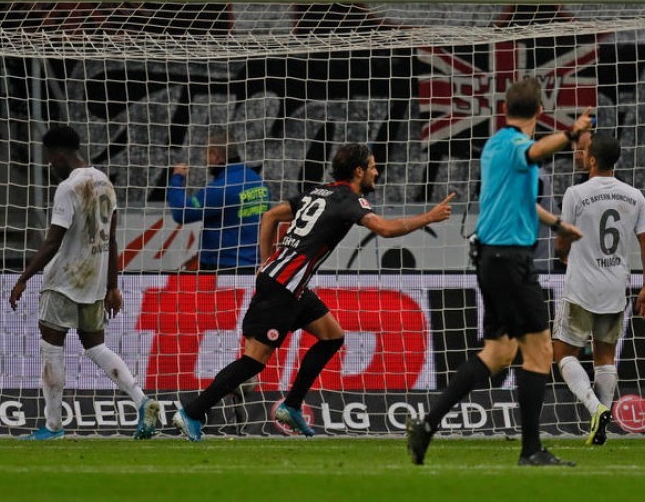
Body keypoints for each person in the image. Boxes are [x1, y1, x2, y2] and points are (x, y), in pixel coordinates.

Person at [172, 143, 454, 441]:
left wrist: (267, 261)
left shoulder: (319, 191)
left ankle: (291, 406)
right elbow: (384, 229)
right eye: (372, 166)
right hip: (282, 288)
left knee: (332, 335)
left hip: (291, 285)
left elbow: (270, 217)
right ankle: (192, 412)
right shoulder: (349, 200)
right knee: (253, 360)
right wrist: (429, 217)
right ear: (358, 171)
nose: (376, 172)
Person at [406, 77, 591, 467]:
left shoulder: (494, 146)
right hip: (509, 261)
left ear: (504, 109)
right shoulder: (515, 145)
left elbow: (520, 201)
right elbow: (536, 150)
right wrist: (571, 132)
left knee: (498, 352)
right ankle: (531, 451)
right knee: (540, 350)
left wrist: (557, 224)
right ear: (539, 113)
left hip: (494, 259)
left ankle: (427, 424)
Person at [9, 125, 159, 440]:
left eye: (50, 158)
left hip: (63, 281)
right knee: (97, 346)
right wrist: (112, 286)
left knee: (52, 349)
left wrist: (23, 278)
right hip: (94, 282)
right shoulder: (105, 182)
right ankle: (141, 400)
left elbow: (52, 242)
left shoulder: (68, 187)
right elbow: (113, 239)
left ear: (59, 154)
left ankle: (52, 427)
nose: (50, 164)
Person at [553, 132, 645, 446]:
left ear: (593, 159)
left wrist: (563, 253)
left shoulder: (575, 193)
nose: (580, 154)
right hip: (615, 288)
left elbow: (563, 240)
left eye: (584, 151)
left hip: (582, 288)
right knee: (605, 357)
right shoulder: (635, 195)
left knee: (562, 353)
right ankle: (603, 426)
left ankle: (596, 408)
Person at [166, 131, 270, 271]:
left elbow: (181, 213)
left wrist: (177, 178)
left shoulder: (220, 188)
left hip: (223, 268)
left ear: (215, 155)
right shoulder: (258, 182)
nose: (205, 159)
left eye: (206, 153)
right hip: (254, 266)